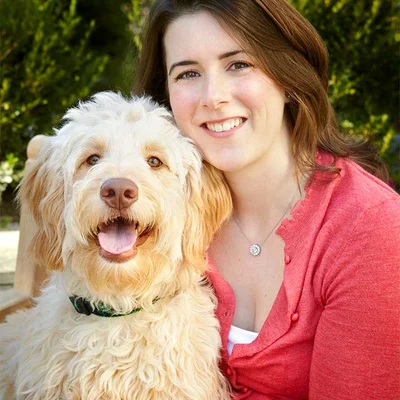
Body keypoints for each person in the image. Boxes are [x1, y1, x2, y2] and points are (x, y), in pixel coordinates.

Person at [134, 0, 400, 398]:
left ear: (287, 76)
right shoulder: (161, 209)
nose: (213, 96)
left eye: (238, 64)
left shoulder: (369, 230)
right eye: (188, 73)